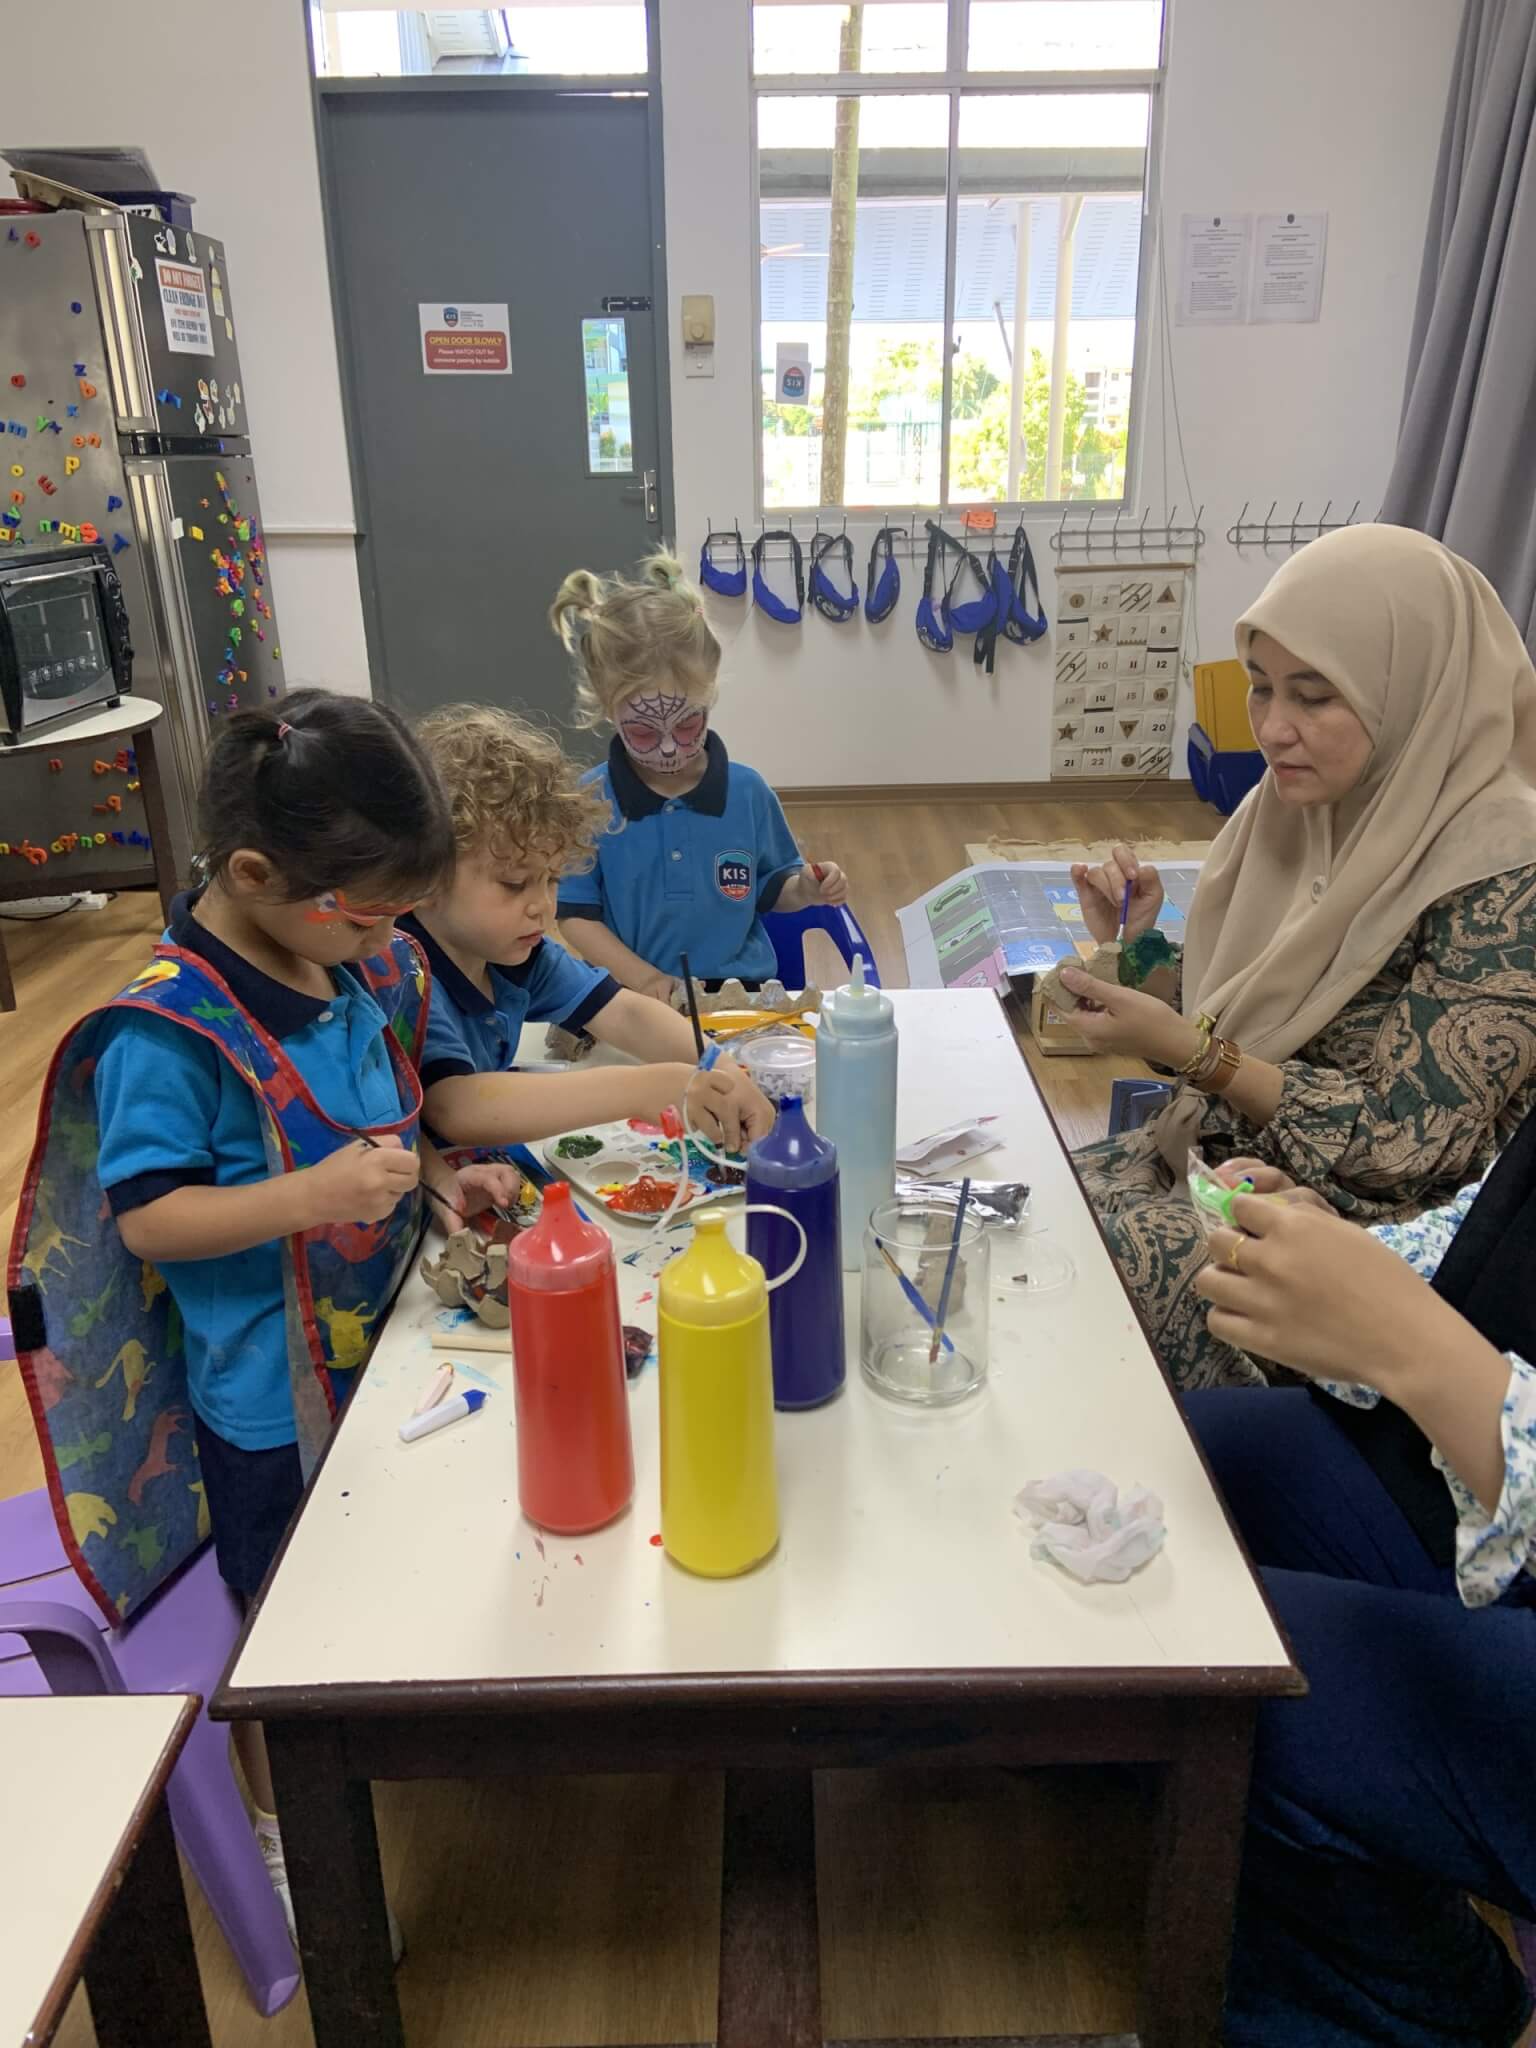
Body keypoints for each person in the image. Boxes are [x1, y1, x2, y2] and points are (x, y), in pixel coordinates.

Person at [10, 689, 517, 1947]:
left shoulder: (341, 960)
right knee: (277, 1624)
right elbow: (150, 1219)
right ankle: (299, 1838)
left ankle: (387, 1728)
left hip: (382, 1356)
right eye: (369, 913)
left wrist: (439, 1180)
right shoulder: (169, 1028)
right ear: (251, 875)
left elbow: (376, 1118)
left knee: (380, 1556)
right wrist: (312, 1196)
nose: (388, 939)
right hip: (267, 1405)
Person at [1064, 525, 1536, 1387]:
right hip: (1217, 1160)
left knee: (1071, 1289)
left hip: (1361, 1243)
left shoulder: (1504, 876)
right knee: (1017, 1208)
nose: (1273, 729)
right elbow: (1233, 1005)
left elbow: (1404, 1146)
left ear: (1413, 694)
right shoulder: (1298, 805)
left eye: (1315, 697)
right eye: (1260, 687)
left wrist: (1197, 1055)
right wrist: (1136, 949)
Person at [1184, 1135, 1536, 2047]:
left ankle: (1413, 2006)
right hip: (1461, 1502)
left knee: (1207, 1679)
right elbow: (1486, 1236)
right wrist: (1326, 1255)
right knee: (1148, 1485)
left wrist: (1413, 1345)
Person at [407, 703, 775, 1152]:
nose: (543, 907)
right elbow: (456, 1107)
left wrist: (722, 1069)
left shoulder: (516, 954)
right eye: (515, 884)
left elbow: (624, 1012)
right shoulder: (404, 970)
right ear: (425, 878)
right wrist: (644, 1089)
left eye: (551, 879)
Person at [550, 550, 848, 997]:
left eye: (688, 724)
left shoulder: (748, 792)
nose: (670, 747)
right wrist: (646, 980)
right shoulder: (591, 800)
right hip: (635, 997)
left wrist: (804, 889)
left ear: (709, 694)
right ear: (606, 709)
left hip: (742, 993)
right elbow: (575, 915)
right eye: (644, 732)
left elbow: (772, 889)